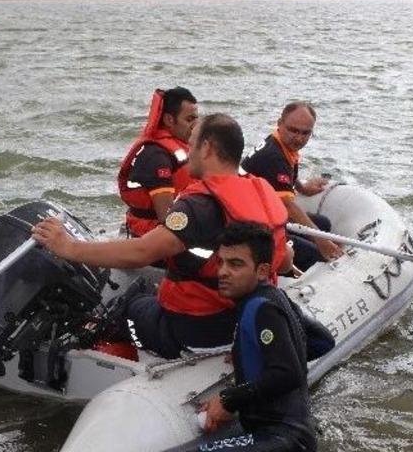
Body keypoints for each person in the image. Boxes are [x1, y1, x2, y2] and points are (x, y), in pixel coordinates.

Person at [33, 113, 290, 359]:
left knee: (128, 305)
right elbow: (286, 259)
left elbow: (141, 253)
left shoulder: (199, 206)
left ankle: (101, 354)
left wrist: (67, 247)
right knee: (151, 290)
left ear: (207, 148)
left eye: (191, 146)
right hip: (246, 318)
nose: (188, 154)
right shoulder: (260, 191)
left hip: (201, 327)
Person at [169, 222, 318, 452]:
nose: (223, 272)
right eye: (221, 262)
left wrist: (229, 399)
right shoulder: (276, 297)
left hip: (282, 438)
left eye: (236, 264)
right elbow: (323, 341)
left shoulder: (260, 308)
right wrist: (260, 351)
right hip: (279, 431)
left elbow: (289, 374)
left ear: (262, 270)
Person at [241, 101, 343, 271]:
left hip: (266, 213)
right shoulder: (274, 157)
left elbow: (284, 177)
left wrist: (303, 188)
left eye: (306, 133)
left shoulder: (279, 142)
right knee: (317, 255)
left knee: (323, 223)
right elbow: (287, 206)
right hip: (253, 225)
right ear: (280, 124)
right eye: (293, 130)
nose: (299, 138)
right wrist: (322, 242)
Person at [118, 87, 199, 238]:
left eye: (196, 118)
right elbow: (166, 217)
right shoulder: (157, 157)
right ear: (169, 120)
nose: (196, 125)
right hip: (151, 235)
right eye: (189, 120)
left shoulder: (180, 147)